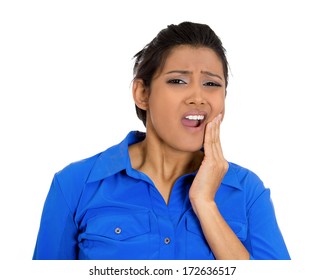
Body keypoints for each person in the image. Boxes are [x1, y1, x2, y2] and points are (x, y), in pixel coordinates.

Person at [33, 21, 290, 260]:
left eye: (211, 83)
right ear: (142, 93)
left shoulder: (247, 191)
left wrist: (205, 204)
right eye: (178, 81)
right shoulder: (75, 184)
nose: (198, 97)